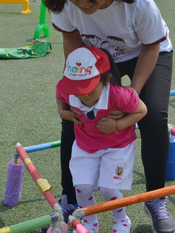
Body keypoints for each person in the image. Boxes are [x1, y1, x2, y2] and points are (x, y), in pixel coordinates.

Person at [40, 0, 175, 233]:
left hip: (146, 52)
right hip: (96, 56)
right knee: (73, 117)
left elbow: (153, 46)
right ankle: (71, 200)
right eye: (78, 1)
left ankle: (155, 197)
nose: (85, 7)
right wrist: (76, 89)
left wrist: (130, 95)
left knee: (152, 117)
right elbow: (72, 38)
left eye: (91, 0)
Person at [56, 46, 147, 233]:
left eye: (89, 89)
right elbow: (59, 92)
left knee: (108, 188)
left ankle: (122, 220)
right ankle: (89, 222)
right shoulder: (69, 91)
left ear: (106, 80)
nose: (82, 95)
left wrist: (117, 125)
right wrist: (62, 111)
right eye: (76, 88)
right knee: (81, 187)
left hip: (117, 146)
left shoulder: (118, 94)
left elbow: (142, 110)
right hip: (85, 145)